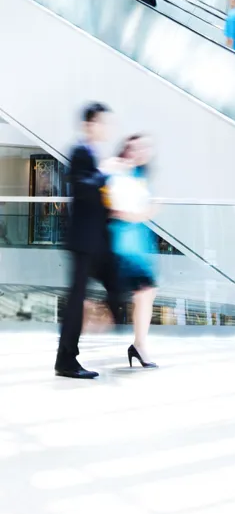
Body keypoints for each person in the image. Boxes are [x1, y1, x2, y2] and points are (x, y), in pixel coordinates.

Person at [54, 103, 124, 379]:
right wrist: (106, 173)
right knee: (76, 301)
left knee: (115, 286)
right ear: (89, 125)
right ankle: (66, 360)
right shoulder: (80, 152)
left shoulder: (94, 155)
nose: (106, 128)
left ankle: (103, 322)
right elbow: (83, 187)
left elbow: (97, 197)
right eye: (102, 123)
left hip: (97, 241)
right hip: (83, 242)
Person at [106, 134, 158, 368]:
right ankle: (138, 346)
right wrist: (144, 213)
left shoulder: (140, 175)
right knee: (140, 293)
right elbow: (117, 210)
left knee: (145, 293)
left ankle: (139, 345)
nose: (141, 152)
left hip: (137, 244)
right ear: (127, 150)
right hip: (123, 244)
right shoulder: (118, 172)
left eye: (144, 148)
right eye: (136, 148)